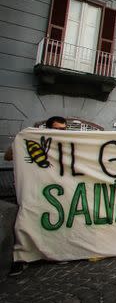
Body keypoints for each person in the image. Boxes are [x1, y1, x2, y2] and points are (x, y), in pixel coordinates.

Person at [8, 116, 68, 276]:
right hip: (33, 190)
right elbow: (8, 156)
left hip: (55, 191)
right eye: (57, 129)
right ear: (47, 128)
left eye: (64, 129)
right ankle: (22, 257)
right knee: (26, 221)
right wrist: (19, 144)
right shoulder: (33, 138)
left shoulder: (67, 143)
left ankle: (54, 253)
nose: (61, 132)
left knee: (54, 222)